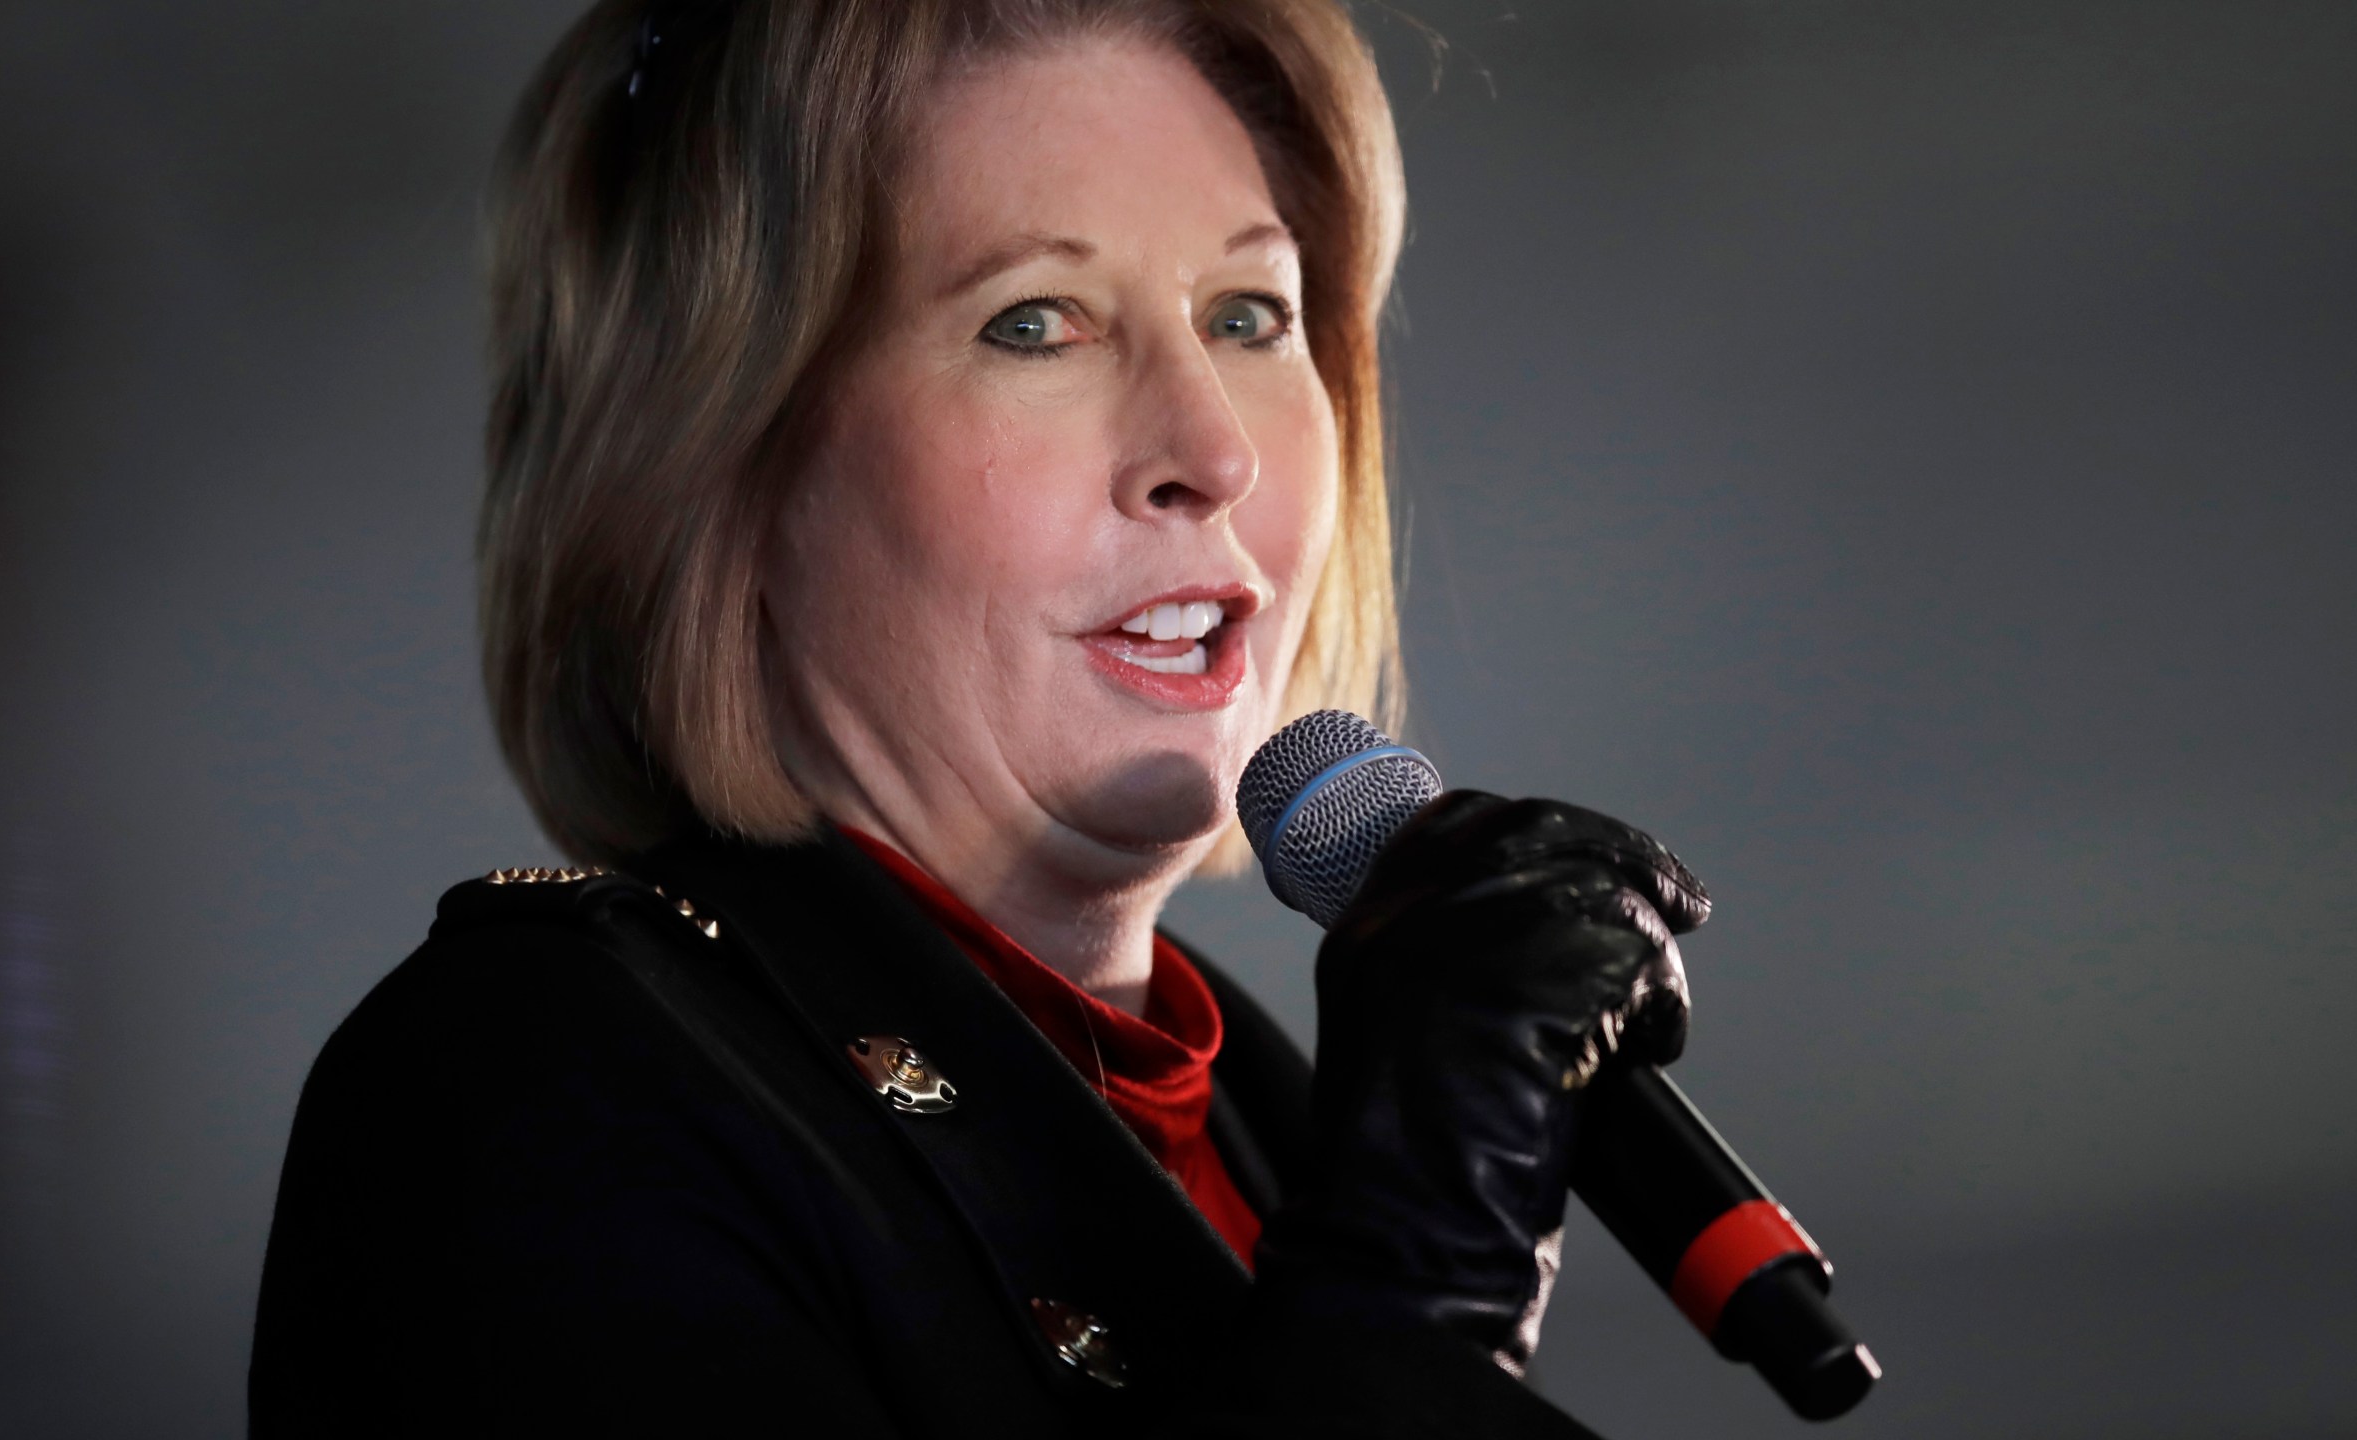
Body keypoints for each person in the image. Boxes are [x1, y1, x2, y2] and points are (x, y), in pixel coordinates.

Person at [249, 1, 1703, 1434]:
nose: (1211, 451)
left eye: (1251, 315)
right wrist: (1405, 1302)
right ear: (716, 471)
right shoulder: (522, 1091)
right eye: (1035, 325)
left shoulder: (1265, 1129)